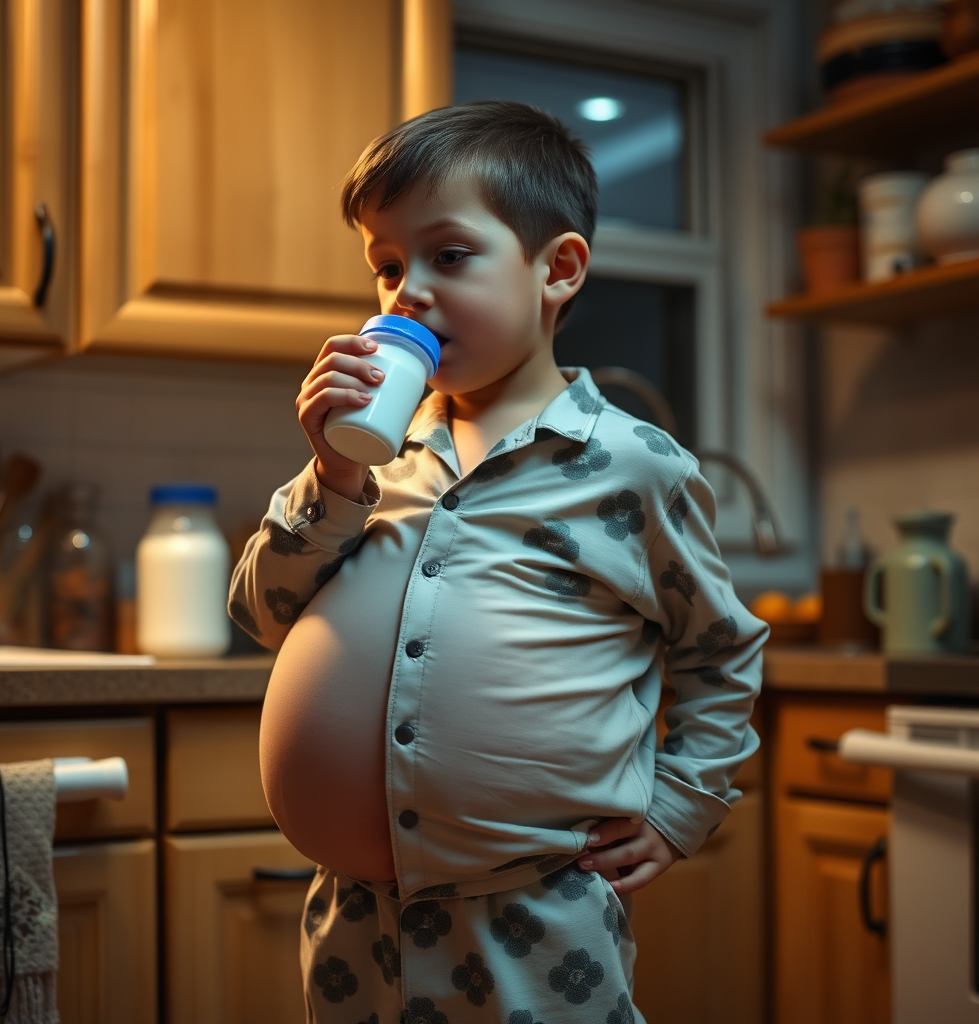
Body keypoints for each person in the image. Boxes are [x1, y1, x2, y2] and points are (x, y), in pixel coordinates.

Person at [229, 99, 767, 1024]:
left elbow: (719, 653)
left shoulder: (631, 466)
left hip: (532, 917)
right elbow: (260, 612)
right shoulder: (375, 458)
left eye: (447, 255)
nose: (406, 292)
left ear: (556, 269)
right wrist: (333, 472)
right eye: (388, 266)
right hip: (357, 918)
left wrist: (682, 806)